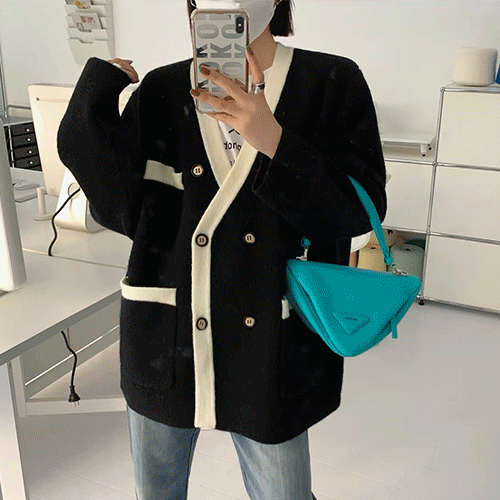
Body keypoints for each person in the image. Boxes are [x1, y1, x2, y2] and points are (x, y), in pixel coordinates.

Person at [57, 0, 387, 498]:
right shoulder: (163, 90)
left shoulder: (331, 83)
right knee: (156, 493)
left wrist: (273, 139)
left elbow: (360, 212)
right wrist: (93, 101)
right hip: (166, 338)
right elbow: (121, 211)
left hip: (271, 344)